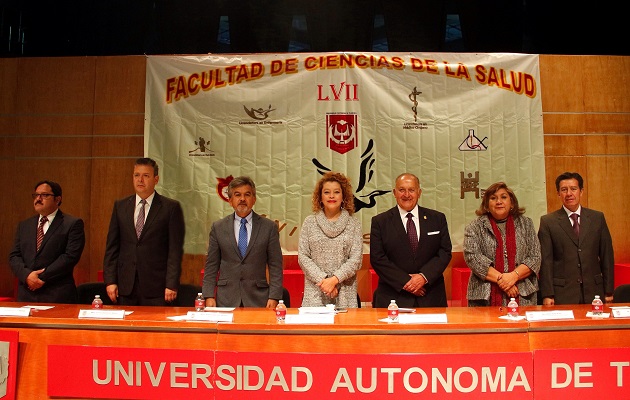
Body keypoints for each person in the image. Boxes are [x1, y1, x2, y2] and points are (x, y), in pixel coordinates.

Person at [103, 158, 185, 306]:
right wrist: (110, 281)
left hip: (157, 287)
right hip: (125, 286)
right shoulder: (120, 206)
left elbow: (175, 250)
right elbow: (112, 248)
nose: (140, 180)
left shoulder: (170, 208)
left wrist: (171, 284)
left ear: (156, 179)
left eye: (146, 176)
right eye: (136, 175)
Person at [370, 173, 452, 308]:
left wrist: (423, 277)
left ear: (419, 192)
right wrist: (407, 282)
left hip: (430, 296)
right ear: (394, 193)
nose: (406, 194)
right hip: (393, 297)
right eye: (402, 190)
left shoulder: (437, 219)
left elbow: (445, 252)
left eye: (411, 190)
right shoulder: (380, 222)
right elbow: (378, 258)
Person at [202, 176, 283, 308]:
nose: (242, 199)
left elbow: (275, 266)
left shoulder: (269, 227)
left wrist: (274, 297)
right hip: (226, 299)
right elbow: (211, 265)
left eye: (247, 195)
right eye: (237, 195)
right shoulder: (218, 227)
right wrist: (209, 295)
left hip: (258, 299)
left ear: (254, 199)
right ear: (230, 200)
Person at [538, 172, 614, 305]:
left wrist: (608, 291)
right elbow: (546, 261)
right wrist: (547, 294)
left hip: (595, 291)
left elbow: (606, 256)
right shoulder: (548, 222)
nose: (569, 193)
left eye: (573, 189)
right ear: (558, 193)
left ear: (581, 191)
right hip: (562, 293)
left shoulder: (597, 218)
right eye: (564, 190)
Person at [463, 182, 541, 307]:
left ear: (512, 202)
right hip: (484, 298)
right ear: (487, 204)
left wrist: (513, 277)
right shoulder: (474, 227)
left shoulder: (526, 224)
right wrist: (504, 281)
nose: (499, 201)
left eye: (503, 197)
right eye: (493, 198)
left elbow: (535, 257)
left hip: (523, 294)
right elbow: (473, 258)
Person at [9, 180, 85, 303]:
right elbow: (14, 256)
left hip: (56, 293)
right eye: (36, 195)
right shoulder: (24, 225)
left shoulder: (72, 224)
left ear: (57, 199)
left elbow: (70, 256)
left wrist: (40, 278)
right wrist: (27, 276)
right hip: (26, 294)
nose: (38, 199)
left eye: (44, 195)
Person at [298, 172, 363, 308]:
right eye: (327, 192)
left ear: (343, 196)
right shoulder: (310, 222)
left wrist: (334, 280)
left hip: (346, 292)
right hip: (315, 291)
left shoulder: (354, 224)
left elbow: (356, 259)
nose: (332, 196)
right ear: (320, 197)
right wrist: (324, 281)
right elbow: (303, 257)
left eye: (336, 192)